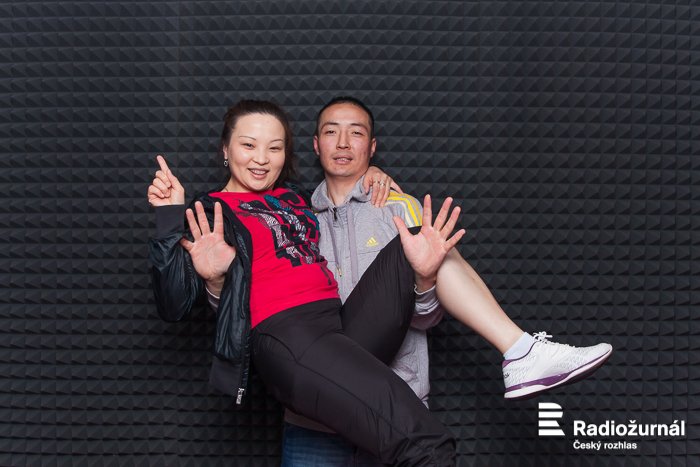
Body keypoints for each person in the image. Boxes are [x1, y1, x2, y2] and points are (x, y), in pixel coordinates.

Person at [277, 96, 614, 465]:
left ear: (372, 147)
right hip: (316, 412)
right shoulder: (296, 221)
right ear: (316, 144)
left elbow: (424, 318)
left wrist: (424, 277)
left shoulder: (400, 208)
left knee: (423, 241)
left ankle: (521, 351)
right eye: (331, 132)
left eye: (355, 133)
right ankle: (522, 351)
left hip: (393, 402)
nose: (343, 143)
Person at [148, 99, 463, 465]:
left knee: (415, 240)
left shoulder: (294, 198)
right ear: (226, 149)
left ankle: (513, 346)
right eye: (248, 145)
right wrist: (171, 220)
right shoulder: (212, 211)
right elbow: (173, 305)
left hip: (336, 327)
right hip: (288, 336)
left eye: (274, 148)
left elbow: (344, 185)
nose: (261, 159)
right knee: (426, 445)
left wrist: (372, 171)